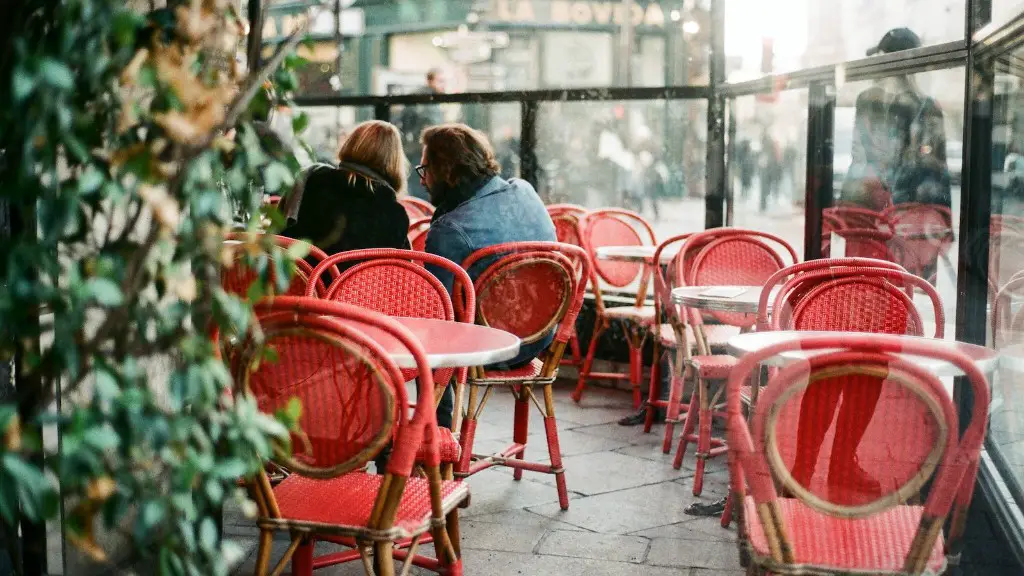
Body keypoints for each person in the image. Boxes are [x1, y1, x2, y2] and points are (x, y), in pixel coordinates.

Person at [418, 123, 557, 428]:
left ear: (446, 171)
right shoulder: (525, 190)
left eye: (425, 169)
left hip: (493, 349)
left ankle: (433, 440)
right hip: (542, 338)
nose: (423, 179)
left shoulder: (450, 229)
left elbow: (436, 312)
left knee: (426, 339)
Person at [840, 28, 951, 212]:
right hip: (905, 210)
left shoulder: (866, 100)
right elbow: (935, 169)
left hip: (865, 207)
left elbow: (860, 155)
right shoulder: (926, 106)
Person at [280, 120, 410, 264]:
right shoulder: (395, 214)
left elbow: (276, 235)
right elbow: (399, 273)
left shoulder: (311, 178)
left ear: (351, 143)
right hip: (356, 287)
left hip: (299, 283)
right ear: (395, 161)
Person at [399, 68, 447, 201]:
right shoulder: (428, 102)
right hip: (420, 152)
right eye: (440, 81)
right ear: (430, 81)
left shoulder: (424, 99)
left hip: (415, 151)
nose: (444, 85)